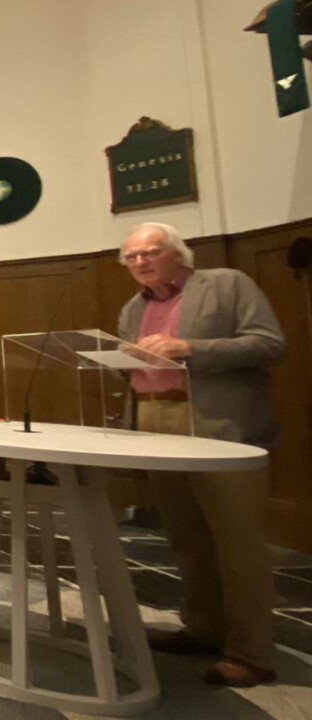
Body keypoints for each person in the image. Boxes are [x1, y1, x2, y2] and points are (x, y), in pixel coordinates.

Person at [116, 222, 287, 687]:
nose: (140, 263)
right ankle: (203, 628)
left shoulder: (227, 285)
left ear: (178, 253)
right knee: (186, 538)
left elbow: (270, 344)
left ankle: (252, 652)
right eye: (130, 257)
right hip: (155, 422)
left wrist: (189, 347)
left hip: (215, 424)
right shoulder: (132, 309)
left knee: (237, 541)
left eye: (150, 252)